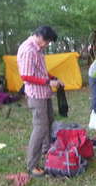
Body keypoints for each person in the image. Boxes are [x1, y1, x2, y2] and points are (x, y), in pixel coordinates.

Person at [17, 26, 64, 177]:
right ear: (39, 36)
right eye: (47, 41)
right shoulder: (28, 50)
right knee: (40, 128)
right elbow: (26, 76)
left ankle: (47, 150)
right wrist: (48, 82)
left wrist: (52, 77)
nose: (47, 44)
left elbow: (40, 70)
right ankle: (32, 165)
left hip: (44, 93)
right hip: (36, 95)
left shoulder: (37, 48)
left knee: (49, 121)